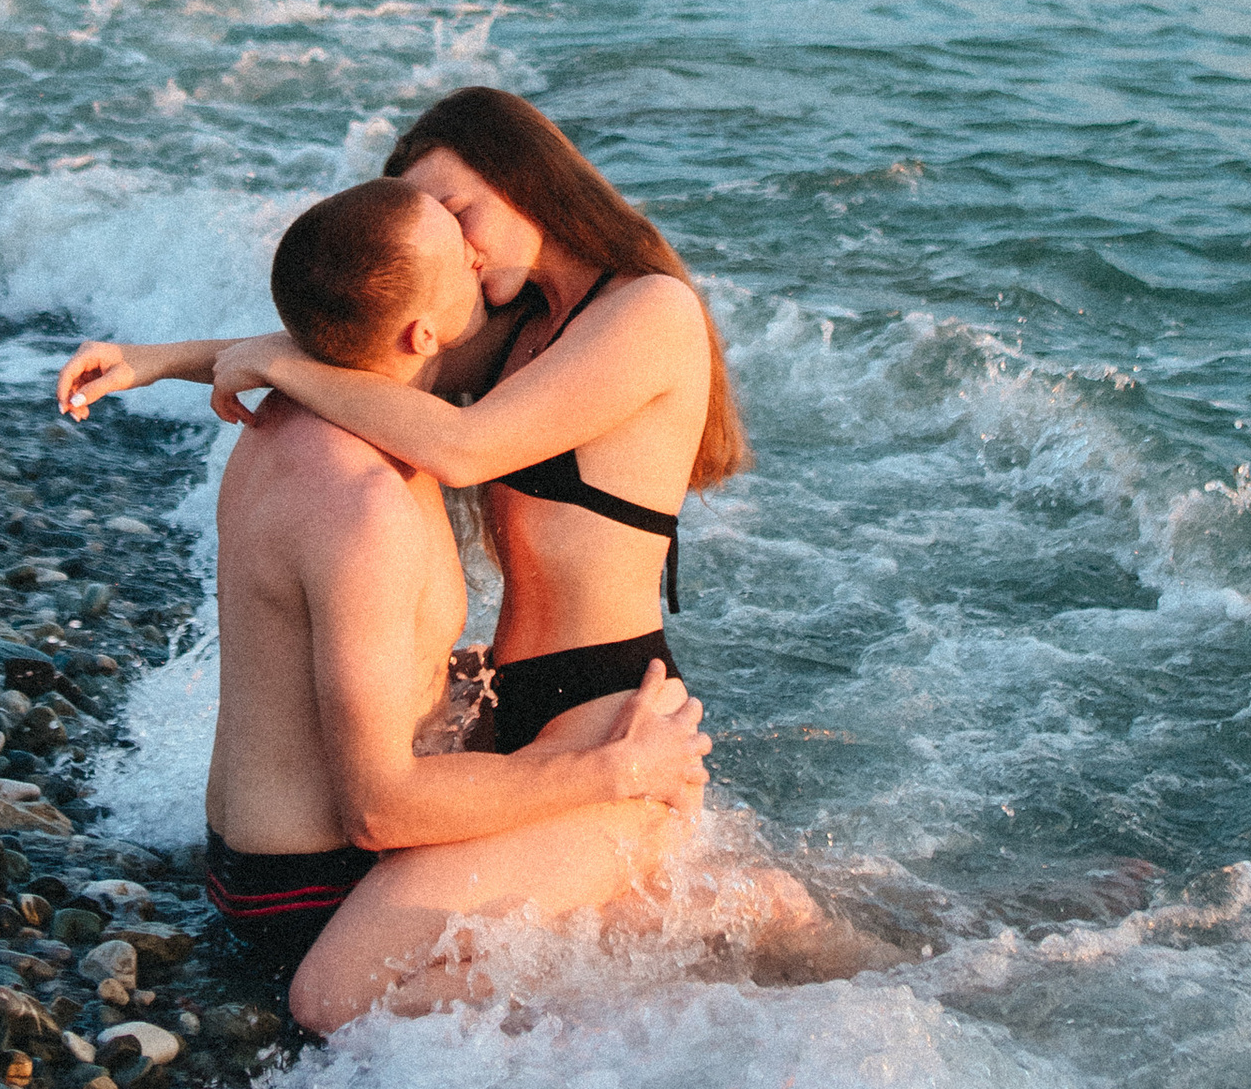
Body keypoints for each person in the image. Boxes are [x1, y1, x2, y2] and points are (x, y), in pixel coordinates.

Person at [195, 173, 753, 1030]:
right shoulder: (368, 504)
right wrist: (616, 768)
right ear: (425, 330)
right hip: (315, 904)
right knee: (653, 859)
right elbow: (380, 809)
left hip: (242, 873)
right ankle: (699, 966)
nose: (479, 254)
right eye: (459, 248)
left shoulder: (280, 423)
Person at [57, 85, 740, 755]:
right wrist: (154, 360)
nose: (460, 250)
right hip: (510, 691)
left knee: (391, 869)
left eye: (457, 211)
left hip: (607, 702)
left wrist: (275, 365)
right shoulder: (522, 324)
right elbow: (362, 356)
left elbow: (463, 449)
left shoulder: (651, 311)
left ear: (524, 179)